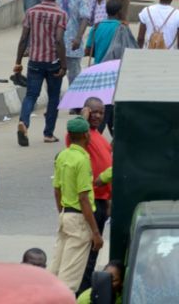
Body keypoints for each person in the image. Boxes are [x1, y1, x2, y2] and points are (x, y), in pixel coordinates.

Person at [50, 116, 103, 292]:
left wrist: (62, 214)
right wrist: (96, 232)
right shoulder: (82, 160)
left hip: (65, 215)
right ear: (86, 135)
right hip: (79, 220)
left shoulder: (62, 156)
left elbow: (57, 191)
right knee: (69, 281)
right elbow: (83, 198)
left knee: (55, 271)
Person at [15, 0, 67, 146]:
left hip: (35, 61)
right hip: (53, 62)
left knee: (31, 95)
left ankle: (24, 121)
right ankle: (48, 133)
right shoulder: (60, 14)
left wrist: (18, 62)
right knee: (53, 97)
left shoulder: (32, 12)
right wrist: (64, 64)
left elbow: (23, 38)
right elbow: (59, 40)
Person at [73, 96, 113, 293]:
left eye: (101, 112)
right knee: (87, 255)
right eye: (93, 112)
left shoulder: (99, 136)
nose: (97, 116)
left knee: (92, 254)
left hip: (102, 201)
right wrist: (83, 116)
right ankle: (82, 293)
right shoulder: (81, 134)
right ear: (86, 111)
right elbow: (76, 134)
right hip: (91, 201)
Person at [57, 0, 89, 83]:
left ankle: (73, 100)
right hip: (55, 43)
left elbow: (85, 17)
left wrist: (79, 38)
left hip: (73, 43)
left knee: (74, 77)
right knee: (54, 76)